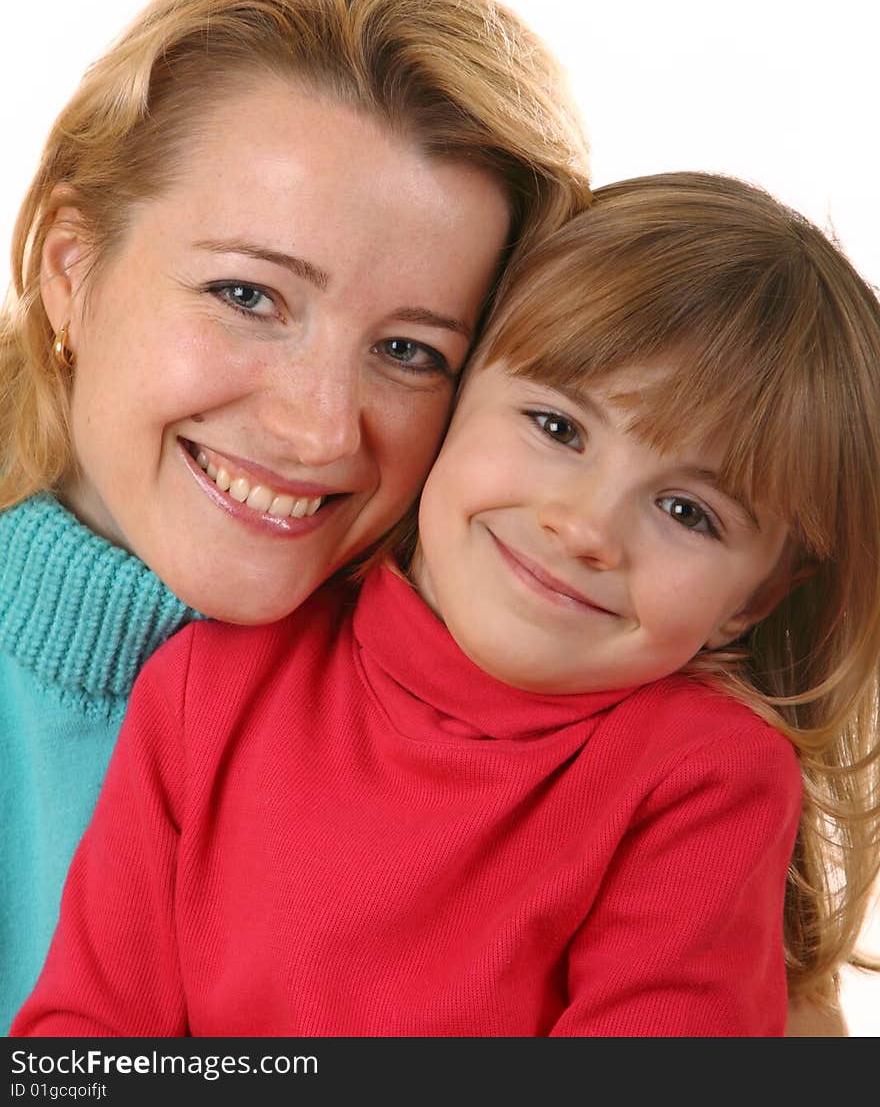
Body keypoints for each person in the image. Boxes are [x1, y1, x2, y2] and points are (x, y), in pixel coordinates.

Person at [14, 172, 880, 1037]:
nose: (585, 529)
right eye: (557, 428)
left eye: (689, 513)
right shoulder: (210, 685)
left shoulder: (704, 778)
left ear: (756, 598)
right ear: (455, 401)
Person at [0, 0, 593, 1033]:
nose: (320, 430)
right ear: (72, 269)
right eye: (248, 295)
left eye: (412, 351)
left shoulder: (594, 743)